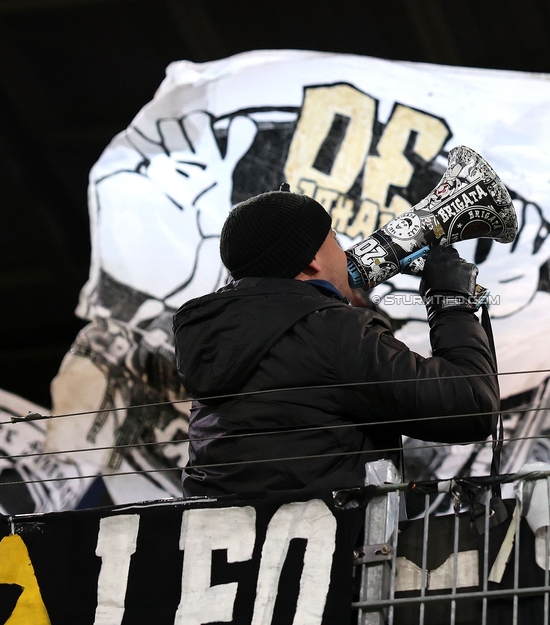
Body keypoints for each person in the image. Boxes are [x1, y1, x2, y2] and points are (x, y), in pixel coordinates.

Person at [172, 190, 499, 496]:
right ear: (313, 260)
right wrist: (450, 303)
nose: (343, 254)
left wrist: (350, 304)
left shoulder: (215, 335)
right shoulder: (329, 330)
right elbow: (471, 406)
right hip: (328, 548)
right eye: (334, 240)